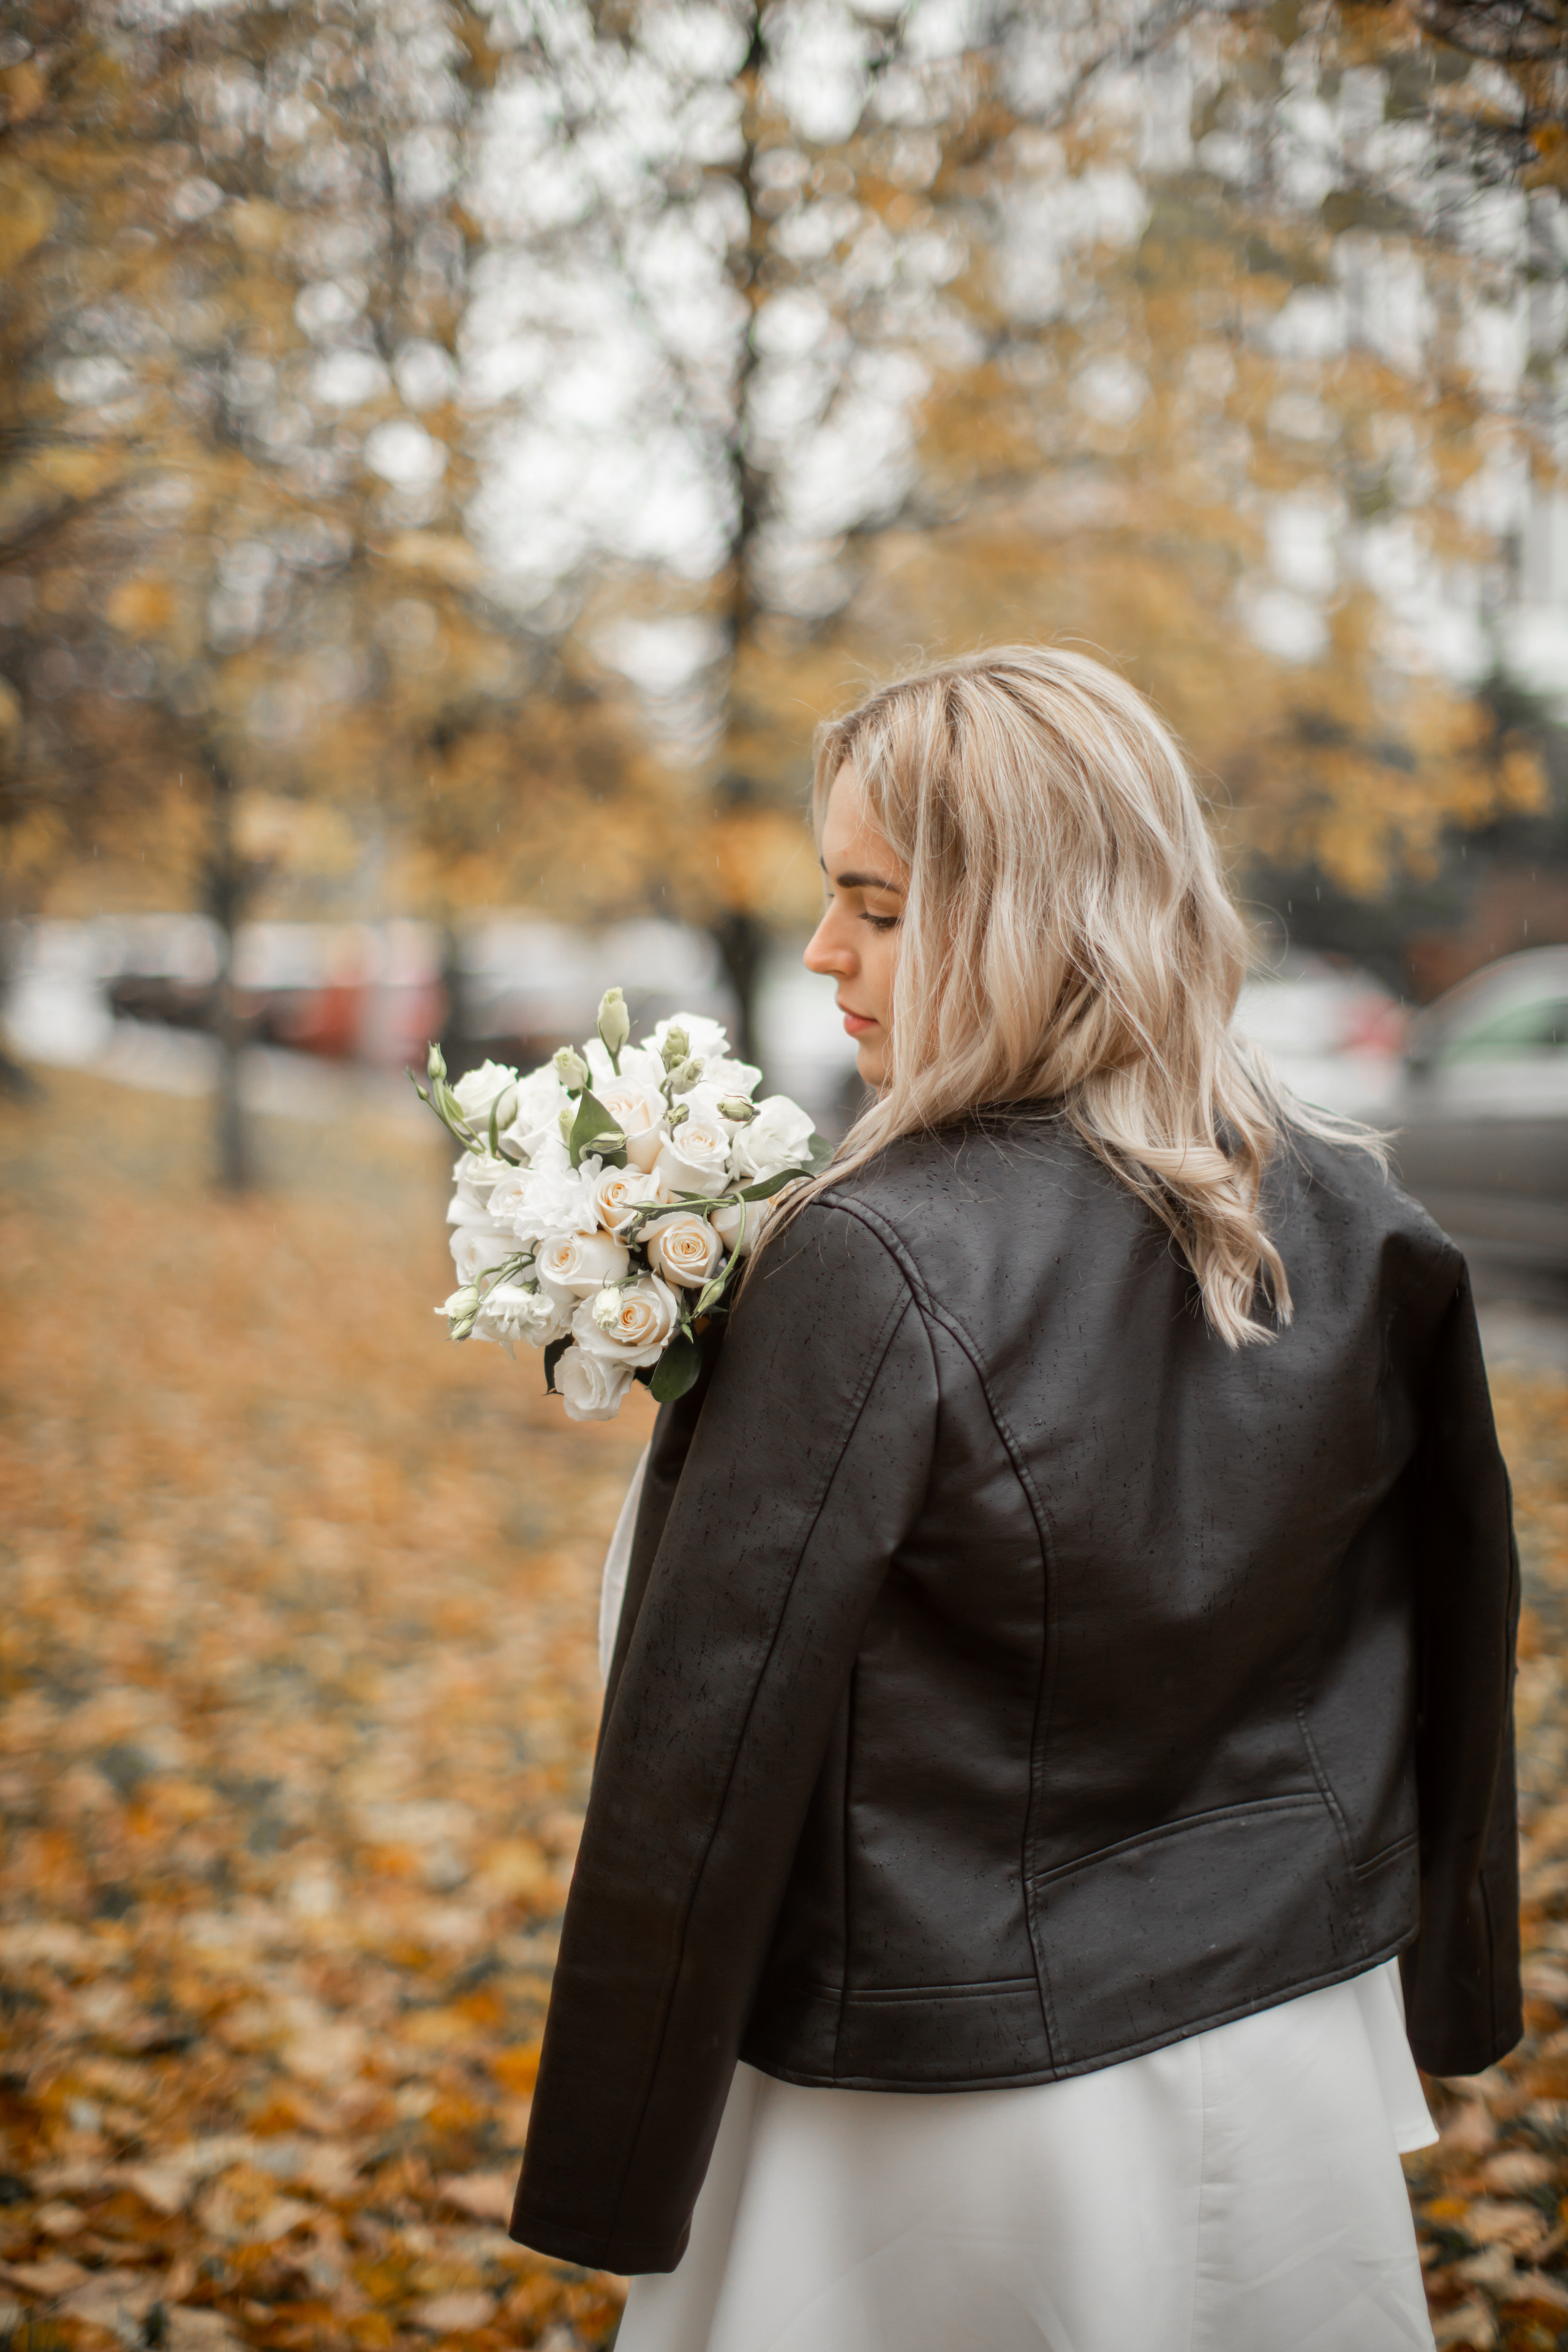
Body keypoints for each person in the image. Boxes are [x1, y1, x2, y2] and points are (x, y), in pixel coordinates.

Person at [509, 646, 1521, 2351]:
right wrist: (1455, 1977)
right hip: (1285, 2046)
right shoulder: (1358, 1215)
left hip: (935, 2108)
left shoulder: (873, 1254)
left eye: (877, 906)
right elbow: (1465, 1623)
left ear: (1038, 914)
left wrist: (611, 2159)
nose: (824, 952)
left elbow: (709, 1733)